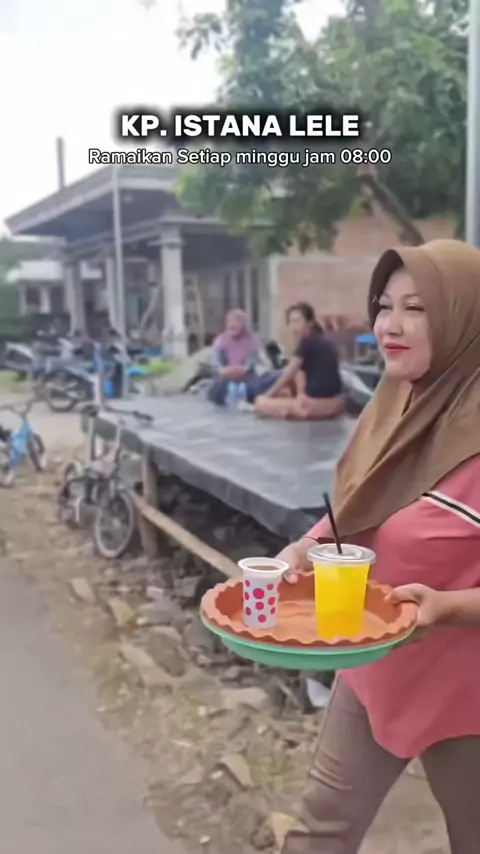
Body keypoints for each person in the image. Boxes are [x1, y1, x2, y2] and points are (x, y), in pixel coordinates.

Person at [276, 240, 480, 854]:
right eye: (384, 306)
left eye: (416, 309)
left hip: (466, 691)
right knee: (319, 831)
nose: (390, 324)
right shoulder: (393, 405)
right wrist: (303, 550)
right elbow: (358, 510)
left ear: (464, 318)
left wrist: (448, 607)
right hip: (375, 662)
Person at [254, 302, 344, 420]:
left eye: (297, 321)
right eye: (291, 322)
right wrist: (298, 393)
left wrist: (268, 395)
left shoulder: (307, 342)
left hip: (314, 404)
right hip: (334, 400)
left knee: (260, 403)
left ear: (309, 323)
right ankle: (296, 401)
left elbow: (288, 374)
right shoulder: (324, 341)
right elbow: (299, 373)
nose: (294, 326)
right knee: (290, 385)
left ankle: (293, 406)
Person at [207, 309, 264, 406]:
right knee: (217, 388)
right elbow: (216, 363)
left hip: (247, 378)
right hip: (225, 378)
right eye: (229, 322)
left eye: (237, 321)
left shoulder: (252, 340)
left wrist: (244, 370)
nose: (232, 325)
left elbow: (252, 363)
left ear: (244, 324)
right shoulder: (220, 340)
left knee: (254, 386)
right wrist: (223, 370)